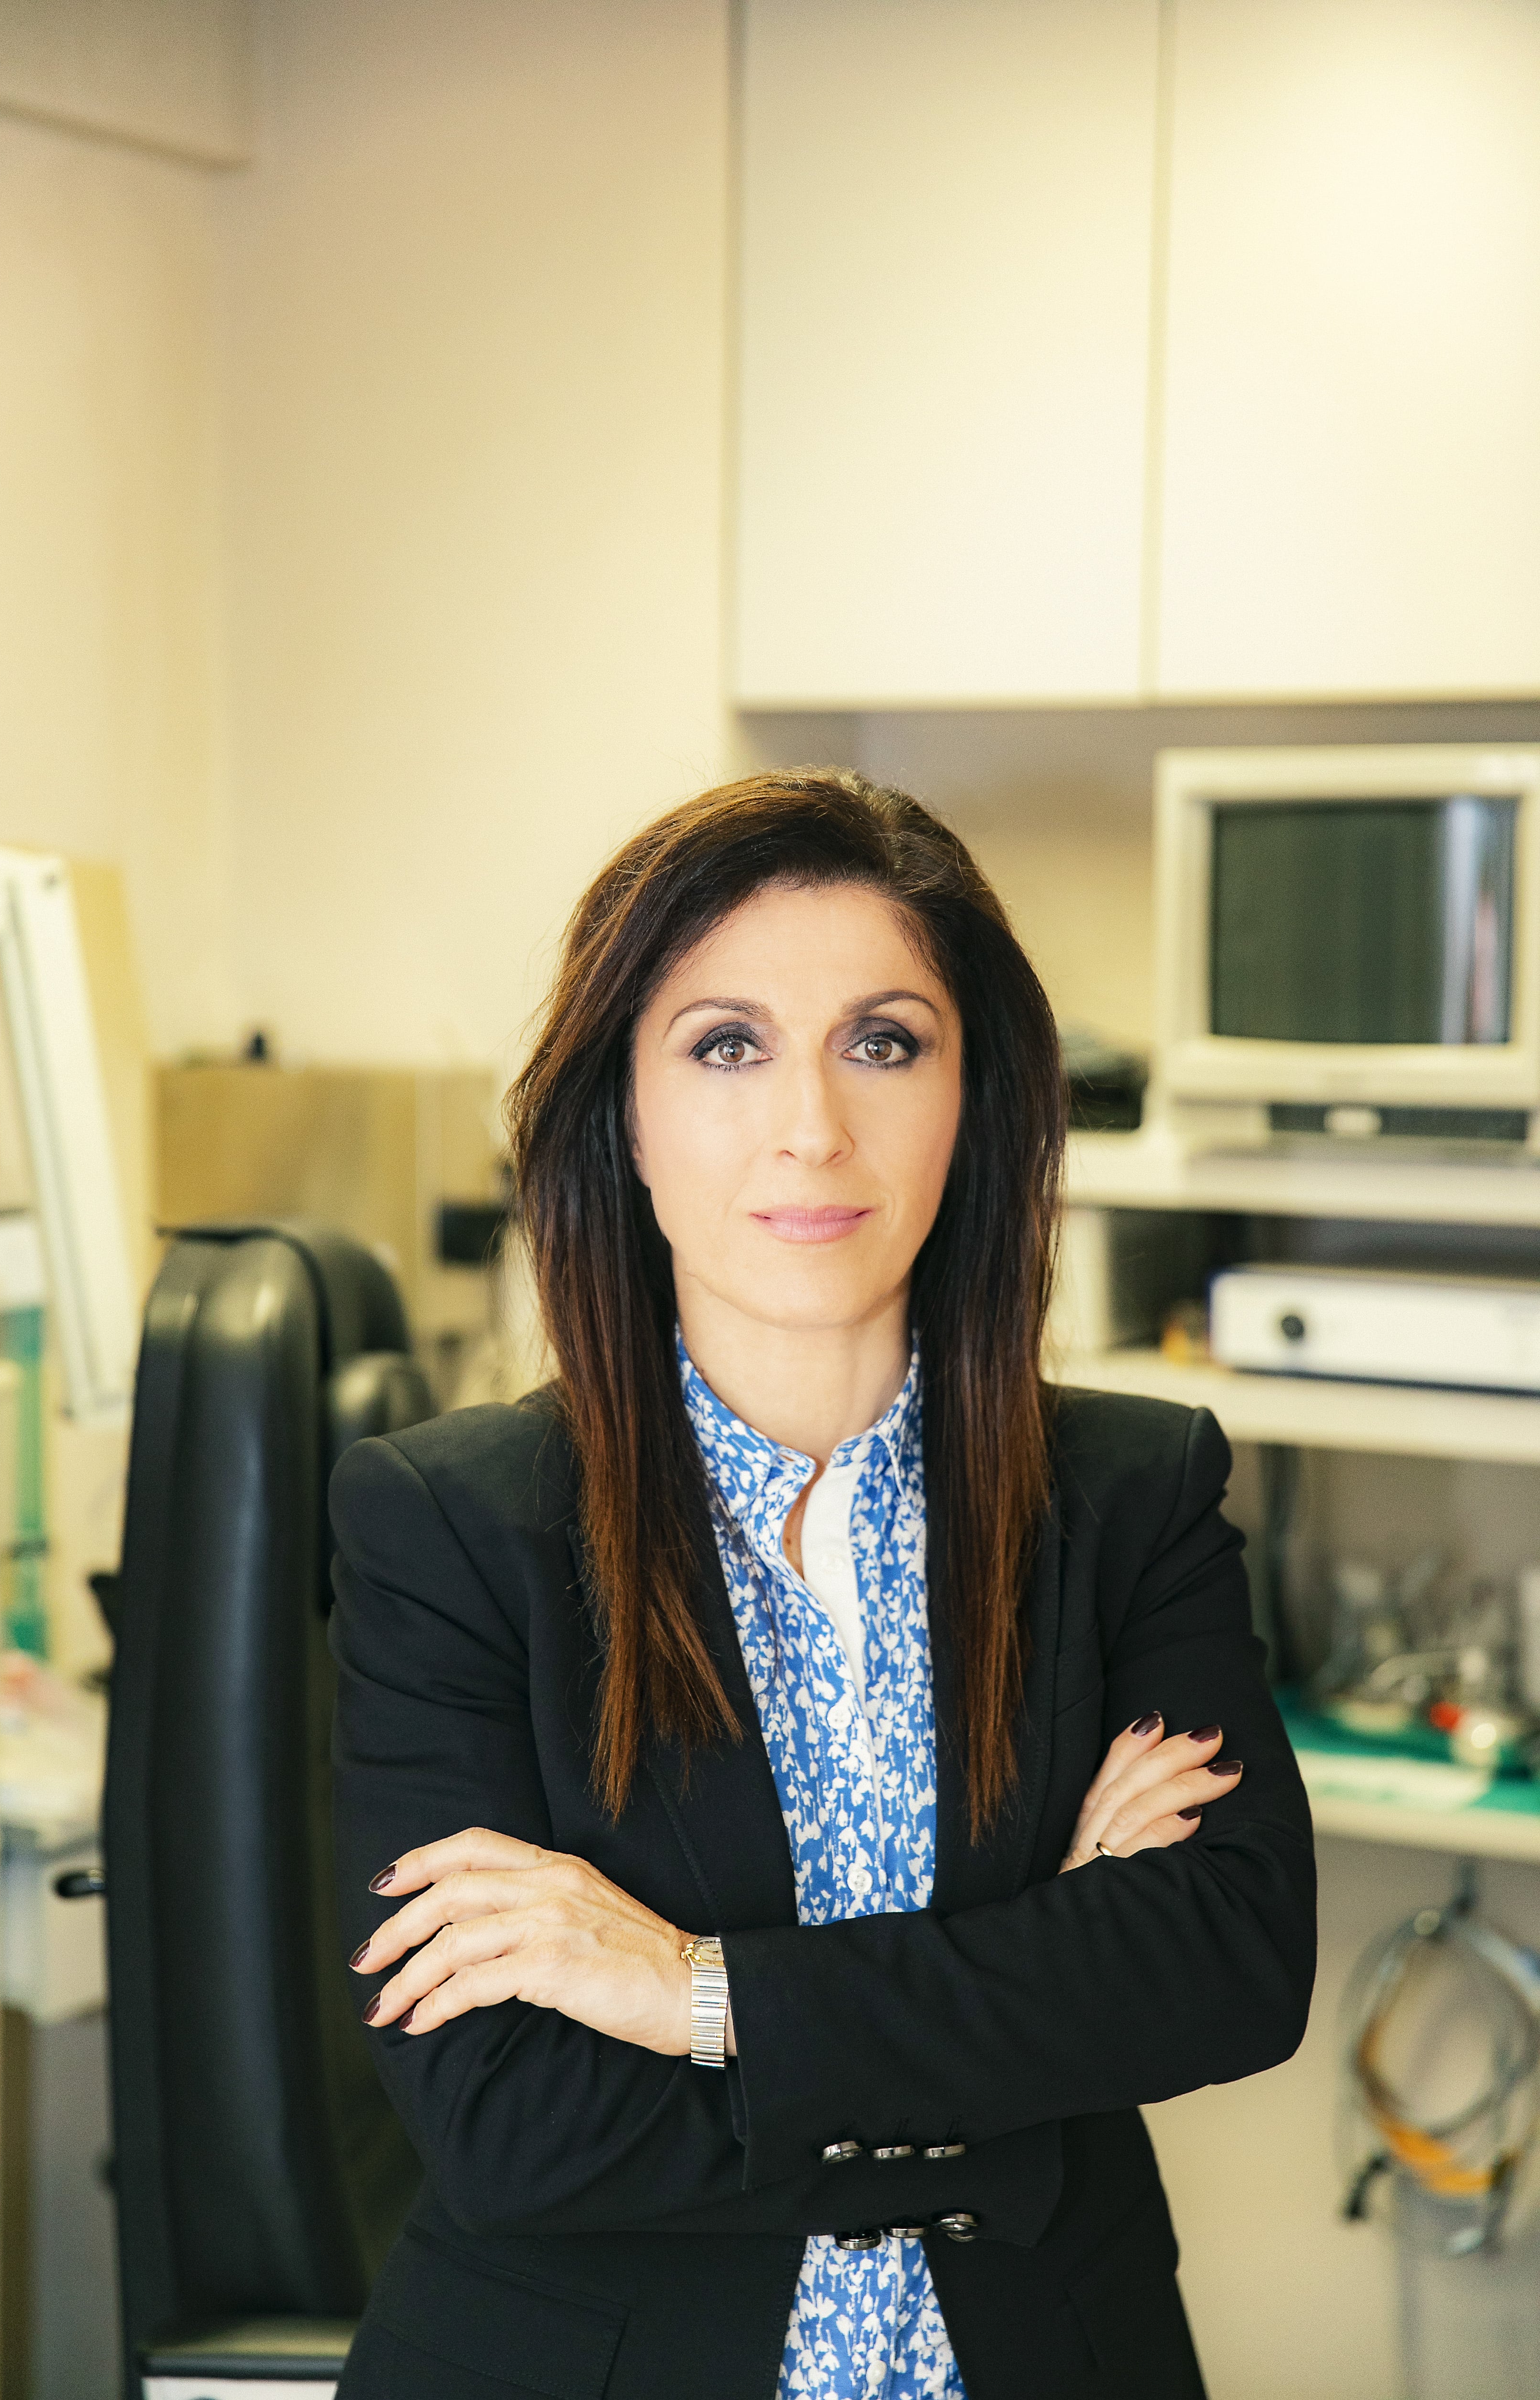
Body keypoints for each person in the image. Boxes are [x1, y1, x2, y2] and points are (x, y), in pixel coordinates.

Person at [328, 771, 1316, 2400]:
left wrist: (692, 1993)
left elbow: (1227, 1969)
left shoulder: (1132, 1495)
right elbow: (513, 2124)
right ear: (624, 1117)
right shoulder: (449, 1529)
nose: (813, 1128)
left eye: (884, 1043)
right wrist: (1031, 2014)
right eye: (727, 1046)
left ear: (974, 1098)